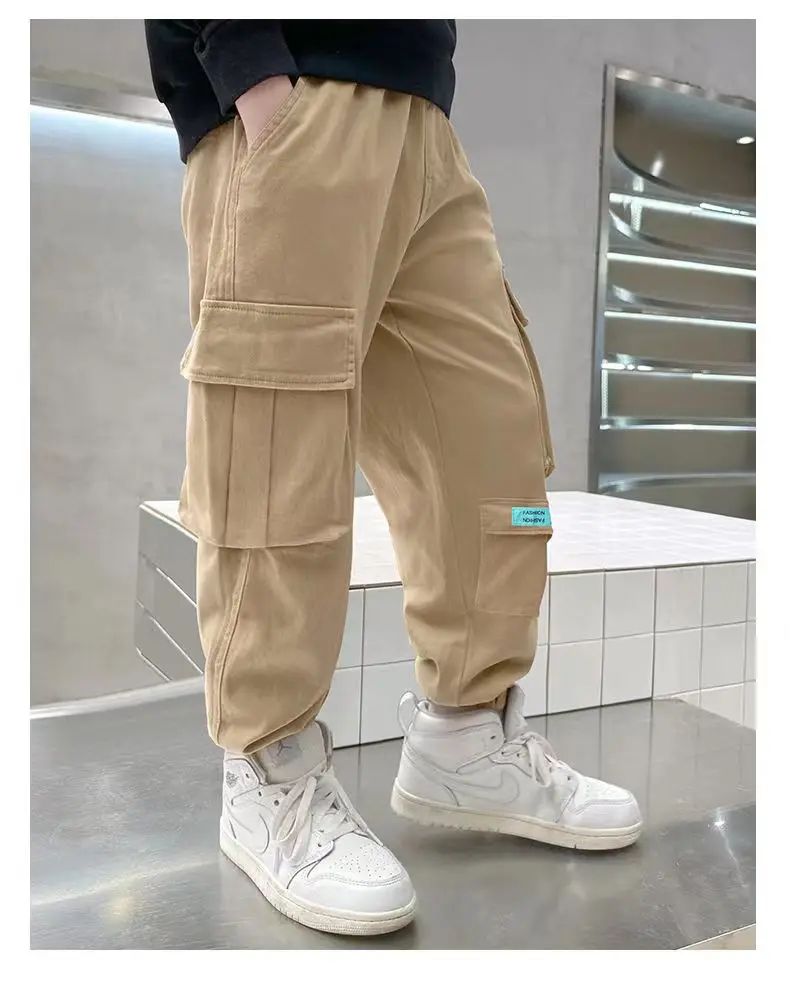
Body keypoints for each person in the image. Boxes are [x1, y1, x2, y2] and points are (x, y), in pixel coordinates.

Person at [145, 19, 642, 938]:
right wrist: (249, 66)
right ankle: (268, 773)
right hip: (293, 91)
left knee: (493, 445)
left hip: (424, 121)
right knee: (277, 448)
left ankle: (466, 736)